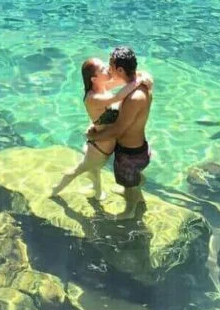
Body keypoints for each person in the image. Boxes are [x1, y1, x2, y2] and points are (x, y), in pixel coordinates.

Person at [51, 56, 151, 200]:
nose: (107, 69)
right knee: (79, 170)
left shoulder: (102, 87)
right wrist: (138, 81)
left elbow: (122, 80)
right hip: (100, 148)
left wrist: (143, 75)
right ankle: (57, 189)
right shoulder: (93, 98)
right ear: (94, 79)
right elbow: (117, 97)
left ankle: (97, 193)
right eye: (103, 69)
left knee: (94, 169)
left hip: (101, 143)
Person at [87, 45, 152, 217]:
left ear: (120, 69)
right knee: (129, 181)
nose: (108, 69)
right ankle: (133, 189)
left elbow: (118, 130)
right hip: (135, 148)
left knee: (129, 184)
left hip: (130, 154)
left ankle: (129, 210)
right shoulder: (137, 85)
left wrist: (94, 136)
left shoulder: (134, 97)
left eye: (110, 66)